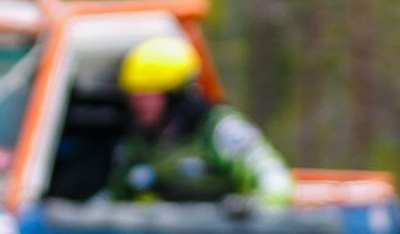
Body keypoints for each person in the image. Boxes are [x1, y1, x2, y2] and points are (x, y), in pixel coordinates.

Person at [104, 35, 294, 206]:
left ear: (174, 97)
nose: (136, 103)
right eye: (133, 95)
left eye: (146, 95)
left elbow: (274, 179)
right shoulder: (137, 142)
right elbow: (113, 199)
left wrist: (254, 210)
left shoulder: (218, 129)